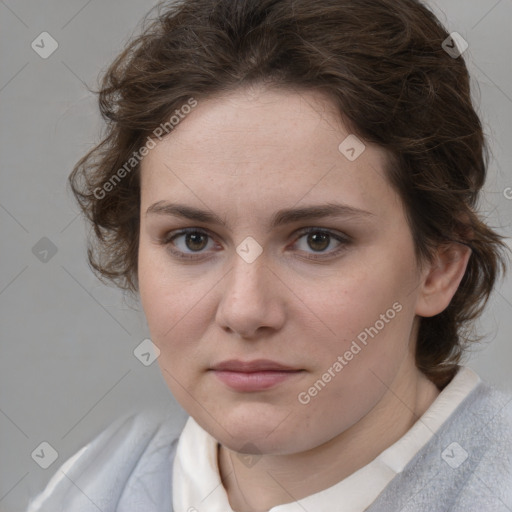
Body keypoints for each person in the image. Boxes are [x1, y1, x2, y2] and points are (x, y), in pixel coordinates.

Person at [27, 0, 512, 511]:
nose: (245, 311)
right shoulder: (86, 489)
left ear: (439, 264)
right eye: (193, 239)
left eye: (318, 240)